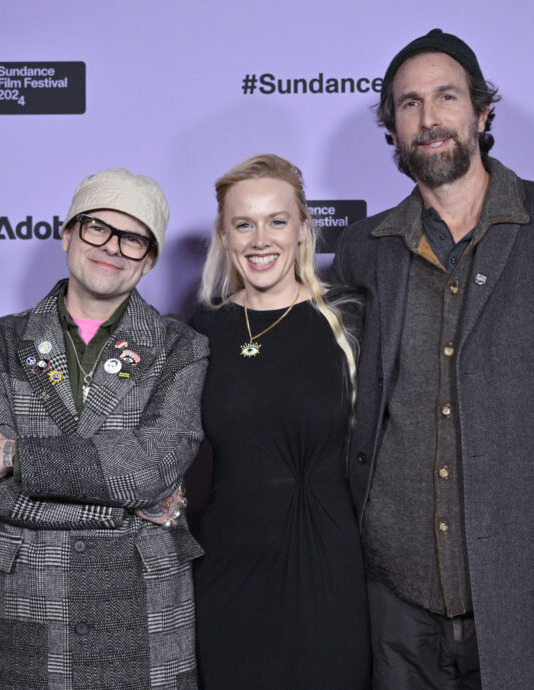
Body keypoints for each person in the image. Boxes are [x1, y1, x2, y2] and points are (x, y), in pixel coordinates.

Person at [332, 29, 534, 689]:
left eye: (447, 96)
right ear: (392, 128)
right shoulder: (364, 248)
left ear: (481, 112)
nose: (430, 117)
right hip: (391, 605)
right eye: (409, 104)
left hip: (532, 592)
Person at [0, 168, 208, 689]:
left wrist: (15, 455)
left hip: (139, 597)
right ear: (67, 234)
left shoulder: (182, 348)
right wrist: (121, 509)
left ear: (149, 260)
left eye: (133, 239)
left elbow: (148, 473)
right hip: (24, 595)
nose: (112, 247)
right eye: (96, 228)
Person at [189, 154, 370, 689]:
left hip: (329, 566)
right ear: (224, 235)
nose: (260, 239)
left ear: (303, 228)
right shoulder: (204, 328)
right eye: (243, 223)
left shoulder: (350, 318)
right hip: (228, 565)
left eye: (277, 220)